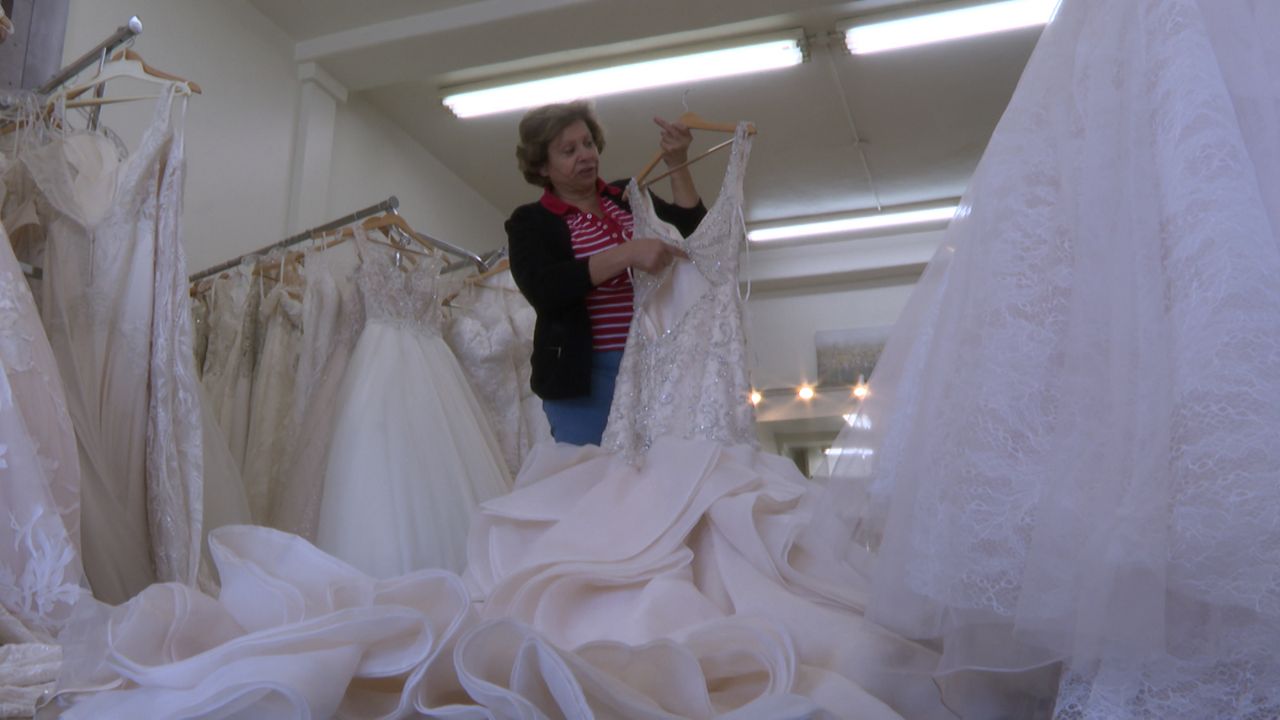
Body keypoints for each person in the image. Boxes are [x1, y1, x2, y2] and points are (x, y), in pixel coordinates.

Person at [506, 101, 706, 445]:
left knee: (666, 469)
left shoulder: (628, 196)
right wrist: (627, 253)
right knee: (594, 474)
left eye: (588, 143)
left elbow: (693, 235)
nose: (585, 155)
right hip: (584, 378)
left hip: (657, 364)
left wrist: (677, 163)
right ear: (542, 166)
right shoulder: (530, 221)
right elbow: (544, 288)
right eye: (569, 151)